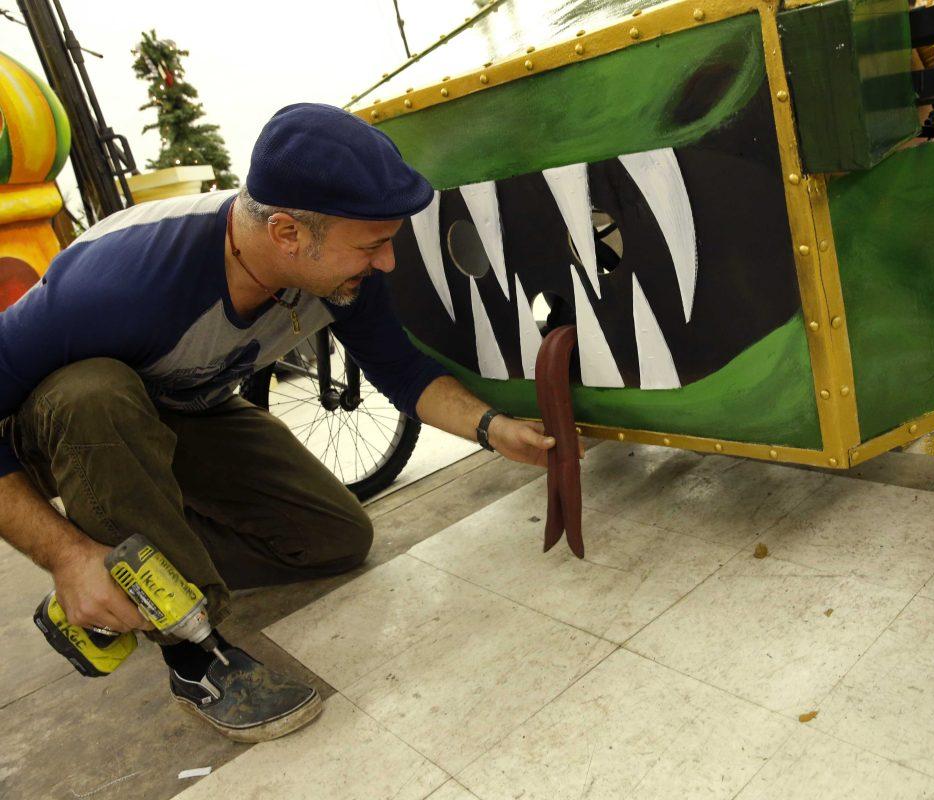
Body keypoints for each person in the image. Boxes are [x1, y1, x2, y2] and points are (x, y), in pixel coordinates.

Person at [0, 103, 566, 742]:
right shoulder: (118, 282)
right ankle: (192, 652)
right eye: (374, 245)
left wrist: (494, 429)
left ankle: (133, 553)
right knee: (93, 392)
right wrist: (67, 555)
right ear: (288, 234)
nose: (387, 264)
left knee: (333, 538)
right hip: (67, 424)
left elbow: (401, 370)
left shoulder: (340, 268)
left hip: (187, 412)